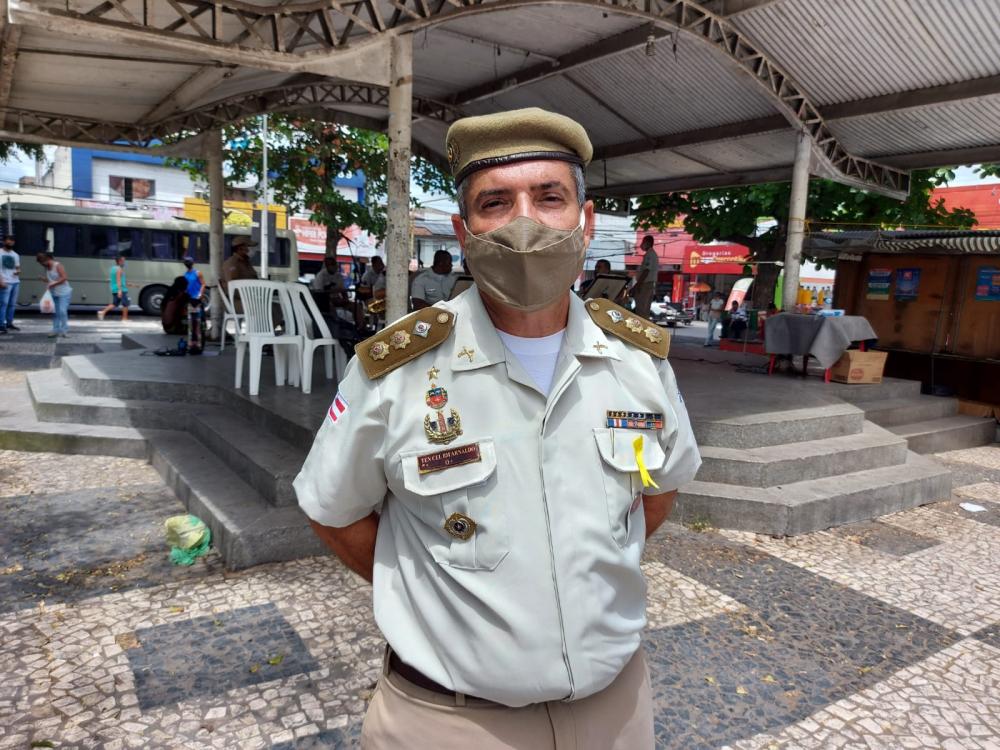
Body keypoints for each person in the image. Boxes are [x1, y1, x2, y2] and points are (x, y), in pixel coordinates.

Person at [294, 107, 701, 749]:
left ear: (586, 221)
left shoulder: (638, 364)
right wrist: (429, 588)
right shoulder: (396, 373)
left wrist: (575, 564)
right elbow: (333, 510)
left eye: (549, 197)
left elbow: (660, 489)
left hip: (614, 712)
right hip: (450, 723)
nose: (524, 223)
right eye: (495, 202)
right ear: (464, 229)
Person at [36, 252, 72, 338]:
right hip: (54, 292)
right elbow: (50, 280)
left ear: (47, 259)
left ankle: (64, 330)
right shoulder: (47, 267)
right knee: (55, 312)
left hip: (64, 292)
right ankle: (55, 330)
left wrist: (53, 284)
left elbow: (64, 278)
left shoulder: (58, 265)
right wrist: (44, 279)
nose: (42, 265)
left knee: (62, 311)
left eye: (42, 262)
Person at [220, 236, 259, 300]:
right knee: (275, 308)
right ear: (240, 248)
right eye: (249, 246)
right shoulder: (231, 263)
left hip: (250, 299)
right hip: (238, 301)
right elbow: (232, 286)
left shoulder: (246, 262)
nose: (252, 249)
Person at [97, 254, 131, 322]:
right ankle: (124, 319)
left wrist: (130, 284)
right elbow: (118, 280)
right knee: (125, 304)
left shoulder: (113, 268)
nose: (124, 262)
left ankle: (102, 312)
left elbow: (118, 280)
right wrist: (120, 290)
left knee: (115, 303)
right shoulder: (119, 269)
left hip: (115, 289)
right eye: (123, 261)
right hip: (121, 289)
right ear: (119, 261)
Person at [631, 234, 659, 317]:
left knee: (641, 309)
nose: (641, 245)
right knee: (645, 310)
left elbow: (646, 270)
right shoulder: (653, 254)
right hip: (649, 284)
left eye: (643, 242)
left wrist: (638, 285)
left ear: (647, 243)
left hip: (645, 284)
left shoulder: (649, 254)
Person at [0, 234, 20, 333]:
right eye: (8, 241)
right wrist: (1, 281)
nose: (10, 242)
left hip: (15, 281)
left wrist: (18, 271)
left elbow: (17, 267)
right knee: (3, 304)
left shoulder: (15, 255)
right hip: (5, 282)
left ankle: (9, 323)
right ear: (4, 242)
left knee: (12, 304)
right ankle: (1, 324)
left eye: (12, 241)